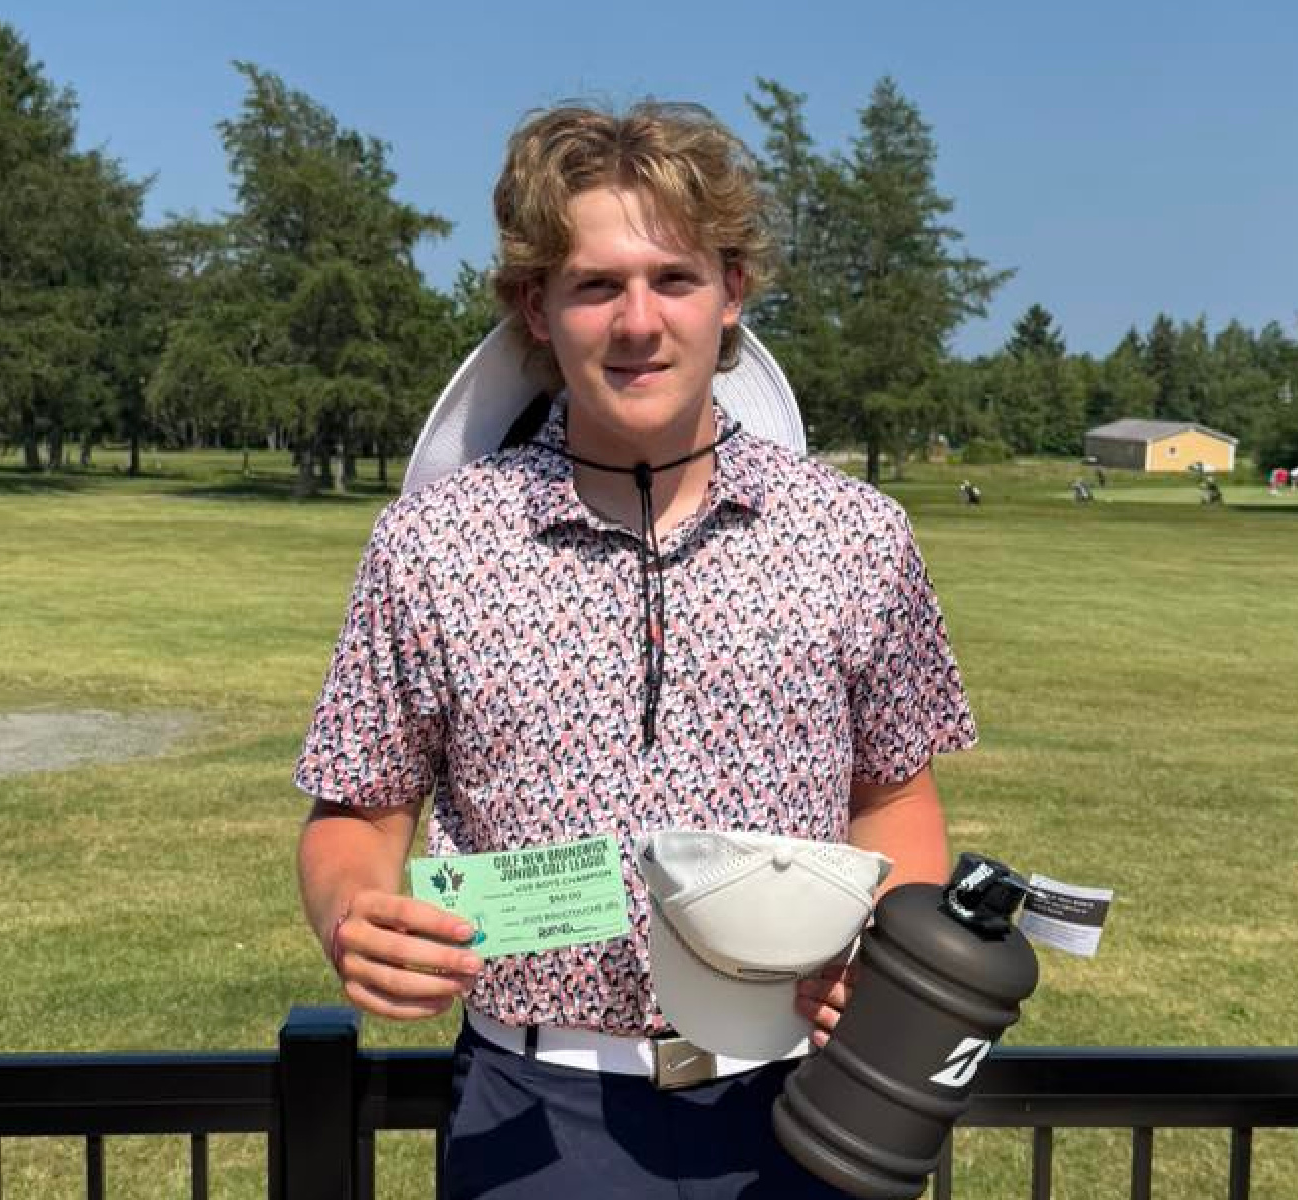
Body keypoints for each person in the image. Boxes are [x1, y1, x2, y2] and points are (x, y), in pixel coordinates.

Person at [293, 100, 977, 1199]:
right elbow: (357, 812)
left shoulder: (857, 537)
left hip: (804, 1106)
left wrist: (889, 960)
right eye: (596, 285)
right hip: (532, 1116)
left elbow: (895, 800)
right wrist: (352, 914)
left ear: (732, 291)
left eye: (674, 278)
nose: (638, 321)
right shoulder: (430, 544)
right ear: (534, 306)